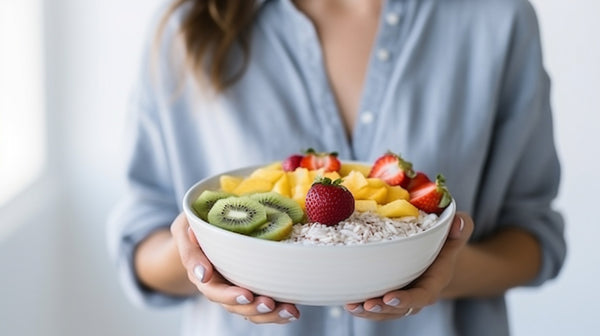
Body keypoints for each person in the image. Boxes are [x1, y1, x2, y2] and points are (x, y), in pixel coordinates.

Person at [107, 0, 566, 335]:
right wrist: (210, 255)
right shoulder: (189, 24)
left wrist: (436, 270)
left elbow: (534, 238)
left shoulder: (497, 19)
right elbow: (140, 246)